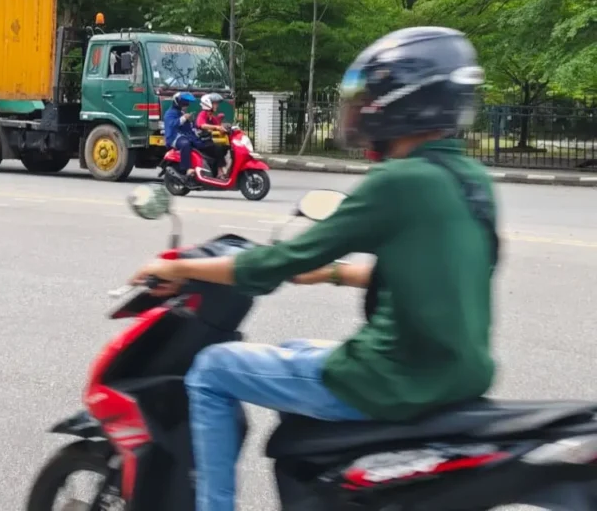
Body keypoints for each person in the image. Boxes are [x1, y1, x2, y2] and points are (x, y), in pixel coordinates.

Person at [131, 27, 496, 511]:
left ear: (401, 101)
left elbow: (277, 263)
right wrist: (334, 274)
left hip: (391, 380)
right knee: (295, 349)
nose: (363, 107)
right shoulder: (470, 178)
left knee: (210, 368)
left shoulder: (399, 181)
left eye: (370, 96)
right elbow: (437, 274)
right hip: (457, 374)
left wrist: (181, 270)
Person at [163, 92, 200, 177]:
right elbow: (172, 124)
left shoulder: (182, 113)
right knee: (185, 144)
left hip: (184, 136)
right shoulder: (170, 113)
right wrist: (183, 118)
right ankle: (187, 169)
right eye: (184, 103)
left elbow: (190, 128)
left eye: (187, 103)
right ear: (178, 103)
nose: (186, 105)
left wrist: (191, 122)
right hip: (173, 137)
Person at [196, 93, 229, 177]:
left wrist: (227, 128)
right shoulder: (203, 114)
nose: (217, 105)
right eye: (215, 103)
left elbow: (219, 126)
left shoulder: (211, 116)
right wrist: (216, 127)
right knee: (218, 148)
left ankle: (218, 167)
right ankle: (220, 170)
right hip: (201, 142)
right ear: (208, 103)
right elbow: (201, 125)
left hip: (208, 141)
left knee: (225, 147)